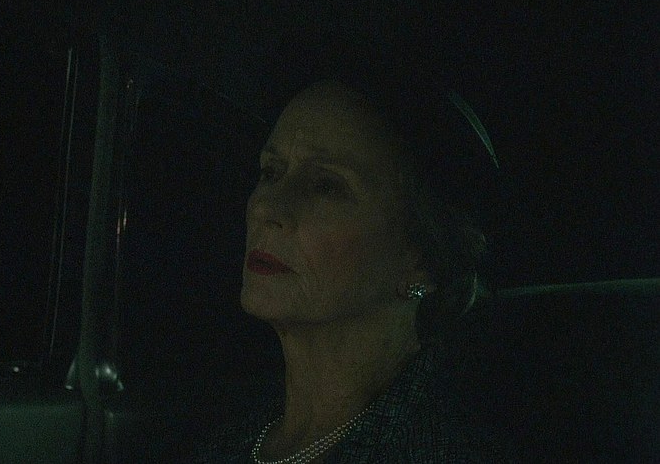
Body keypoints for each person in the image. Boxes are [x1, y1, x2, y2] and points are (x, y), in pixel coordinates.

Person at [189, 71, 503, 463]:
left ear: (422, 257)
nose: (268, 207)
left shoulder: (442, 449)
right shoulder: (227, 435)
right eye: (271, 172)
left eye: (326, 186)